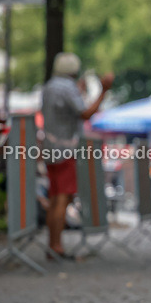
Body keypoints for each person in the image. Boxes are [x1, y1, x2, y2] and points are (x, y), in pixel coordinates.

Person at [40, 53, 113, 259]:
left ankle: (52, 244)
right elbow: (86, 113)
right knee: (63, 197)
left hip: (50, 146)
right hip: (66, 148)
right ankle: (56, 246)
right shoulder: (67, 87)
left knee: (55, 197)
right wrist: (104, 91)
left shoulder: (49, 86)